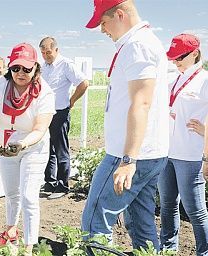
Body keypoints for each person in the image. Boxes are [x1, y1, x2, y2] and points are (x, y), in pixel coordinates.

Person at [81, 0, 169, 251]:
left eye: (104, 22)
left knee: (94, 223)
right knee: (141, 223)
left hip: (129, 155)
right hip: (150, 153)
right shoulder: (143, 42)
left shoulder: (138, 45)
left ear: (120, 15)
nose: (102, 30)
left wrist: (128, 160)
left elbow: (141, 102)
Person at [0, 43, 55, 255]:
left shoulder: (44, 92)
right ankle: (10, 234)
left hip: (34, 146)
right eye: (16, 68)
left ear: (36, 68)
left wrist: (23, 144)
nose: (20, 73)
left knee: (29, 196)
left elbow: (40, 128)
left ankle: (29, 246)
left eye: (26, 69)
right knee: (11, 194)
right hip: (6, 145)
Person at [158, 34, 208, 255]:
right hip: (167, 153)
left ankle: (203, 252)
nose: (176, 61)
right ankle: (168, 248)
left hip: (191, 155)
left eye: (180, 57)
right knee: (167, 206)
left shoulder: (205, 80)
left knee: (195, 211)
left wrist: (205, 131)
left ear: (195, 54)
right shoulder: (172, 79)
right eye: (173, 57)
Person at [39, 37, 89, 200]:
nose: (46, 55)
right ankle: (50, 182)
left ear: (56, 50)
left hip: (60, 112)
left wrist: (72, 100)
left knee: (61, 149)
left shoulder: (66, 64)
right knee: (47, 148)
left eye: (48, 52)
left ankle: (62, 185)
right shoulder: (42, 67)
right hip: (45, 113)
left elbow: (83, 83)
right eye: (43, 52)